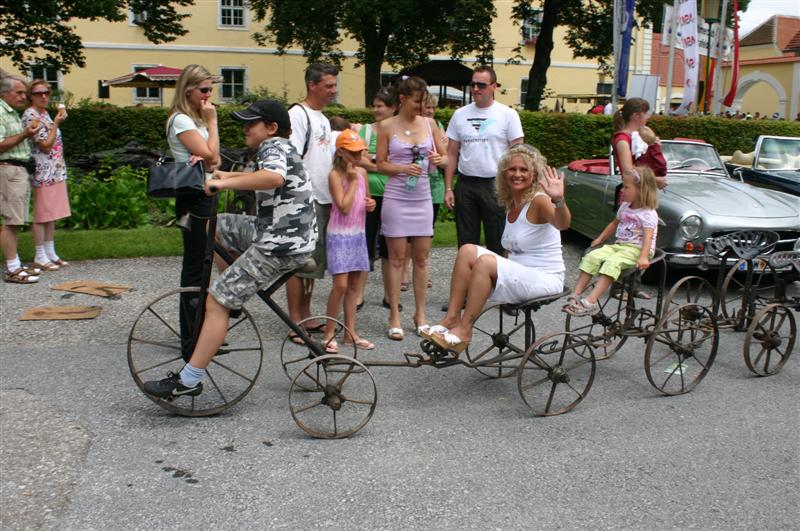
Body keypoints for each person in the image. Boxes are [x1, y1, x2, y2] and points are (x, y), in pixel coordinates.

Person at [143, 99, 317, 398]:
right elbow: (272, 179)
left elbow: (273, 177)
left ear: (272, 128)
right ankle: (233, 292)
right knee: (218, 224)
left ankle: (189, 379)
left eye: (252, 123)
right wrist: (227, 176)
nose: (245, 128)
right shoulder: (280, 146)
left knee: (216, 302)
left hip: (280, 245)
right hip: (280, 233)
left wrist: (223, 185)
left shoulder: (274, 146)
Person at [426, 145, 570, 353]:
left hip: (545, 278)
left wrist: (558, 200)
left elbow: (562, 223)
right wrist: (493, 273)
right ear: (504, 173)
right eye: (512, 169)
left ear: (534, 174)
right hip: (520, 273)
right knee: (467, 249)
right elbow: (509, 250)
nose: (517, 174)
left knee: (485, 263)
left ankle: (465, 330)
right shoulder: (512, 201)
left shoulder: (539, 200)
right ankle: (452, 317)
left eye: (523, 170)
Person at [376, 76, 447, 340]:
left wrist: (440, 159)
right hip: (396, 197)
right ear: (402, 99)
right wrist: (402, 168)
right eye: (417, 101)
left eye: (423, 101)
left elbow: (447, 156)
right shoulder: (386, 126)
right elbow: (380, 163)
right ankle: (394, 314)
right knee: (395, 259)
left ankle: (420, 315)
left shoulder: (430, 124)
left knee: (422, 258)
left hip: (422, 197)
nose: (421, 106)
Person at [167, 64, 221, 360]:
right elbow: (211, 155)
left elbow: (214, 159)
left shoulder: (194, 120)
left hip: (205, 192)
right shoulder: (181, 121)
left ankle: (202, 331)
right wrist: (213, 123)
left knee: (204, 265)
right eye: (203, 89)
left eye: (211, 89)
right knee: (194, 268)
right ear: (188, 89)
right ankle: (191, 339)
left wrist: (210, 146)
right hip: (193, 197)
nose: (208, 95)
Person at [444, 65, 524, 257]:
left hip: (496, 184)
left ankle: (497, 282)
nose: (476, 89)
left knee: (497, 239)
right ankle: (470, 282)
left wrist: (515, 187)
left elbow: (518, 153)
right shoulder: (460, 114)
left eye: (481, 84)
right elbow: (452, 153)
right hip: (466, 183)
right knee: (466, 242)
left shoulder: (507, 114)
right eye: (473, 84)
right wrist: (448, 187)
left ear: (493, 86)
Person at [285, 63, 338, 342]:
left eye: (334, 84)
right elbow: (291, 157)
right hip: (306, 198)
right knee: (299, 261)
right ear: (312, 85)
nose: (334, 90)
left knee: (312, 263)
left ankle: (306, 314)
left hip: (323, 196)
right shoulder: (298, 115)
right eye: (328, 85)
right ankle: (296, 320)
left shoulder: (323, 118)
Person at [563, 166, 659, 317]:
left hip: (638, 249)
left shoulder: (648, 213)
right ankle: (576, 295)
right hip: (620, 246)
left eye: (626, 187)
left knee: (611, 263)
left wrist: (643, 256)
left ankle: (591, 302)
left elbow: (648, 237)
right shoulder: (626, 206)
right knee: (592, 256)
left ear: (641, 190)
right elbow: (614, 223)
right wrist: (600, 239)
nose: (621, 190)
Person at [321, 131, 377, 352]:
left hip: (357, 233)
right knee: (340, 284)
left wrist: (370, 204)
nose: (357, 157)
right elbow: (343, 206)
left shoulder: (362, 172)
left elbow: (365, 199)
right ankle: (328, 332)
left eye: (359, 152)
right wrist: (353, 181)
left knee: (354, 285)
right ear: (341, 152)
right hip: (339, 234)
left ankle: (350, 332)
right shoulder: (335, 175)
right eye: (352, 153)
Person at [21, 79, 70, 271]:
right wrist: (56, 123)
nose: (43, 96)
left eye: (46, 93)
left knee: (52, 214)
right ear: (30, 96)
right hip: (43, 171)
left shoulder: (45, 114)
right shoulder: (30, 115)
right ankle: (39, 255)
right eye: (38, 93)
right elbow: (45, 144)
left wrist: (54, 120)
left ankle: (51, 252)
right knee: (42, 214)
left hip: (55, 169)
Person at [357, 91, 396, 311]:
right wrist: (382, 164)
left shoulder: (397, 131)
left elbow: (400, 161)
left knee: (391, 248)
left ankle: (390, 296)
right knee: (365, 243)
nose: (376, 110)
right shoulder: (364, 130)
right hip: (368, 195)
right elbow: (357, 159)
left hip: (393, 194)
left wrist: (373, 161)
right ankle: (359, 294)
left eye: (380, 106)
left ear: (392, 108)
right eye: (374, 105)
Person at [1, 75, 40, 284]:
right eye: (19, 93)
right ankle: (12, 269)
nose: (23, 97)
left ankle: (15, 264)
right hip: (8, 170)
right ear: (4, 93)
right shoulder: (0, 111)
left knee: (14, 220)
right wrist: (25, 134)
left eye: (24, 93)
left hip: (17, 170)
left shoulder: (11, 113)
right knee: (10, 220)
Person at [612, 97, 667, 190]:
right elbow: (628, 173)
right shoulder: (622, 139)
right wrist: (656, 181)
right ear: (636, 116)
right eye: (645, 113)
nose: (648, 116)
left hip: (644, 193)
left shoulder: (640, 136)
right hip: (633, 195)